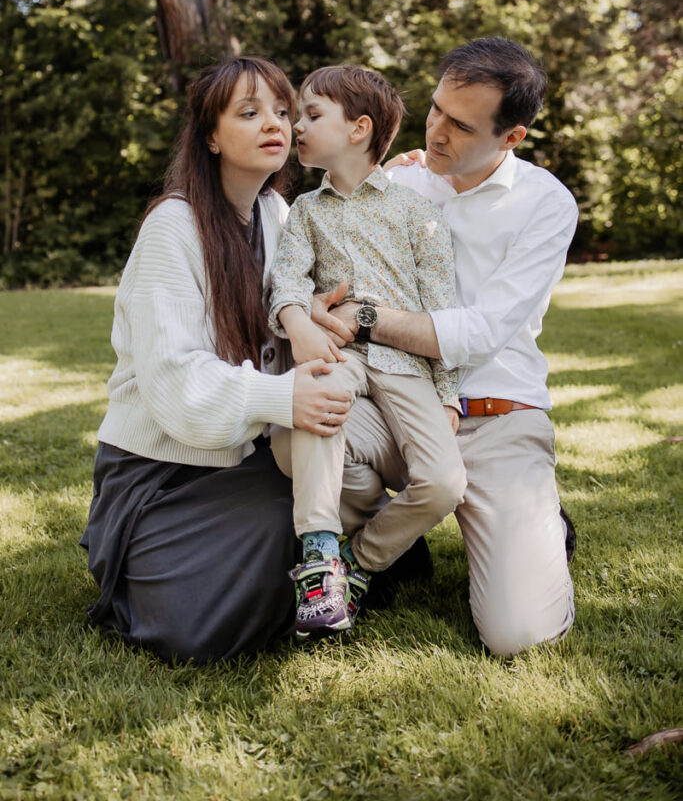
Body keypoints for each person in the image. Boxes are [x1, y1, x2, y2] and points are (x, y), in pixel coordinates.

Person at [80, 56, 363, 664]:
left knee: (333, 486)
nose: (276, 124)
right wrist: (283, 396)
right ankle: (344, 563)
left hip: (242, 459)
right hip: (160, 475)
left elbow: (295, 291)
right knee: (194, 627)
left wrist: (309, 310)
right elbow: (174, 383)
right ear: (211, 135)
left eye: (284, 112)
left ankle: (345, 561)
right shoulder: (173, 228)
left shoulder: (276, 215)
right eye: (250, 112)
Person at [313, 38, 578, 657]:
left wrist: (368, 318)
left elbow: (479, 332)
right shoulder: (398, 181)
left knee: (517, 636)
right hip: (400, 409)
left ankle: (540, 528)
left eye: (460, 125)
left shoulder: (544, 204)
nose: (435, 132)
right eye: (435, 110)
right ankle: (388, 549)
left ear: (511, 137)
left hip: (497, 416)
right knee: (302, 430)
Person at [268, 65, 467, 640]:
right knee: (316, 401)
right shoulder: (306, 211)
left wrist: (449, 395)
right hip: (340, 353)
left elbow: (443, 313)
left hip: (407, 368)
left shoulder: (416, 212)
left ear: (358, 129)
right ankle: (320, 557)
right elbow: (285, 279)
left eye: (310, 115)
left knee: (444, 484)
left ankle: (359, 564)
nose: (296, 126)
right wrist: (297, 318)